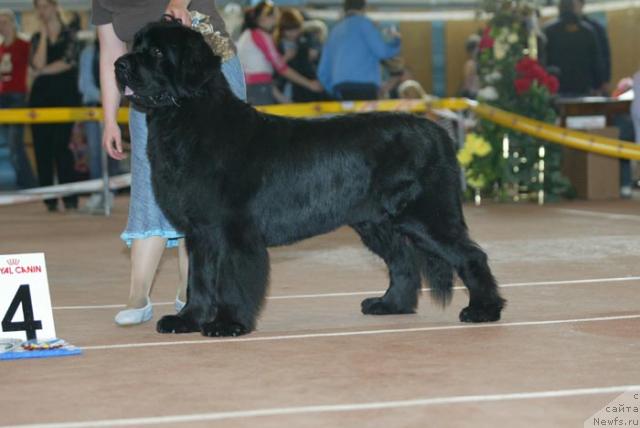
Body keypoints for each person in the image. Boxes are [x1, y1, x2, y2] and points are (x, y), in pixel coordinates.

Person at [93, 0, 247, 325]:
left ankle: (192, 290)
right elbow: (111, 54)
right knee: (149, 180)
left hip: (204, 74)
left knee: (206, 192)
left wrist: (178, 2)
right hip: (148, 84)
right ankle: (138, 294)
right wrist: (109, 120)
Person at [29, 0, 81, 211]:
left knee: (62, 147)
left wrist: (40, 71)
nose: (42, 11)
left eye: (45, 6)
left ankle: (70, 198)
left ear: (54, 7)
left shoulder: (70, 34)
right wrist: (42, 34)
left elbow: (67, 62)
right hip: (40, 98)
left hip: (65, 97)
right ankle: (49, 200)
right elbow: (38, 63)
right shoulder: (35, 38)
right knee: (42, 150)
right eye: (38, 7)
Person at [237, 1, 322, 105]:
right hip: (260, 89)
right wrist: (310, 84)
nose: (276, 23)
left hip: (252, 88)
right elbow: (281, 68)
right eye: (275, 18)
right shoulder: (260, 36)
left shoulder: (247, 35)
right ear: (265, 18)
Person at [317, 0, 401, 101]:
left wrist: (334, 89)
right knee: (365, 117)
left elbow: (322, 71)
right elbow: (383, 52)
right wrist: (396, 41)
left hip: (341, 87)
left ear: (345, 9)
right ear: (364, 7)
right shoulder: (365, 24)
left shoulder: (334, 31)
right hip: (365, 86)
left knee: (349, 116)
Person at [77, 34, 119, 214]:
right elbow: (84, 86)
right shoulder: (88, 52)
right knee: (95, 152)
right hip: (94, 109)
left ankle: (111, 192)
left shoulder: (118, 46)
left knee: (115, 152)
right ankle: (98, 191)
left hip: (115, 108)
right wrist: (110, 97)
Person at [0, 9, 38, 189]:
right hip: (2, 97)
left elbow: (32, 70)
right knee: (11, 144)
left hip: (17, 97)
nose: (2, 26)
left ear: (13, 23)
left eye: (5, 22)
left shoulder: (24, 45)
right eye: (0, 23)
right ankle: (25, 183)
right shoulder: (0, 48)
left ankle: (29, 184)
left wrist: (28, 95)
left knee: (15, 145)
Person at [543, 0, 604, 97]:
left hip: (557, 89)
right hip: (583, 89)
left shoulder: (549, 31)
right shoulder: (588, 31)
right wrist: (598, 85)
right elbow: (596, 62)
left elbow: (544, 61)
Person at [575, 0, 611, 95]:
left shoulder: (595, 28)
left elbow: (604, 55)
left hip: (592, 84)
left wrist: (605, 80)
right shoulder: (555, 30)